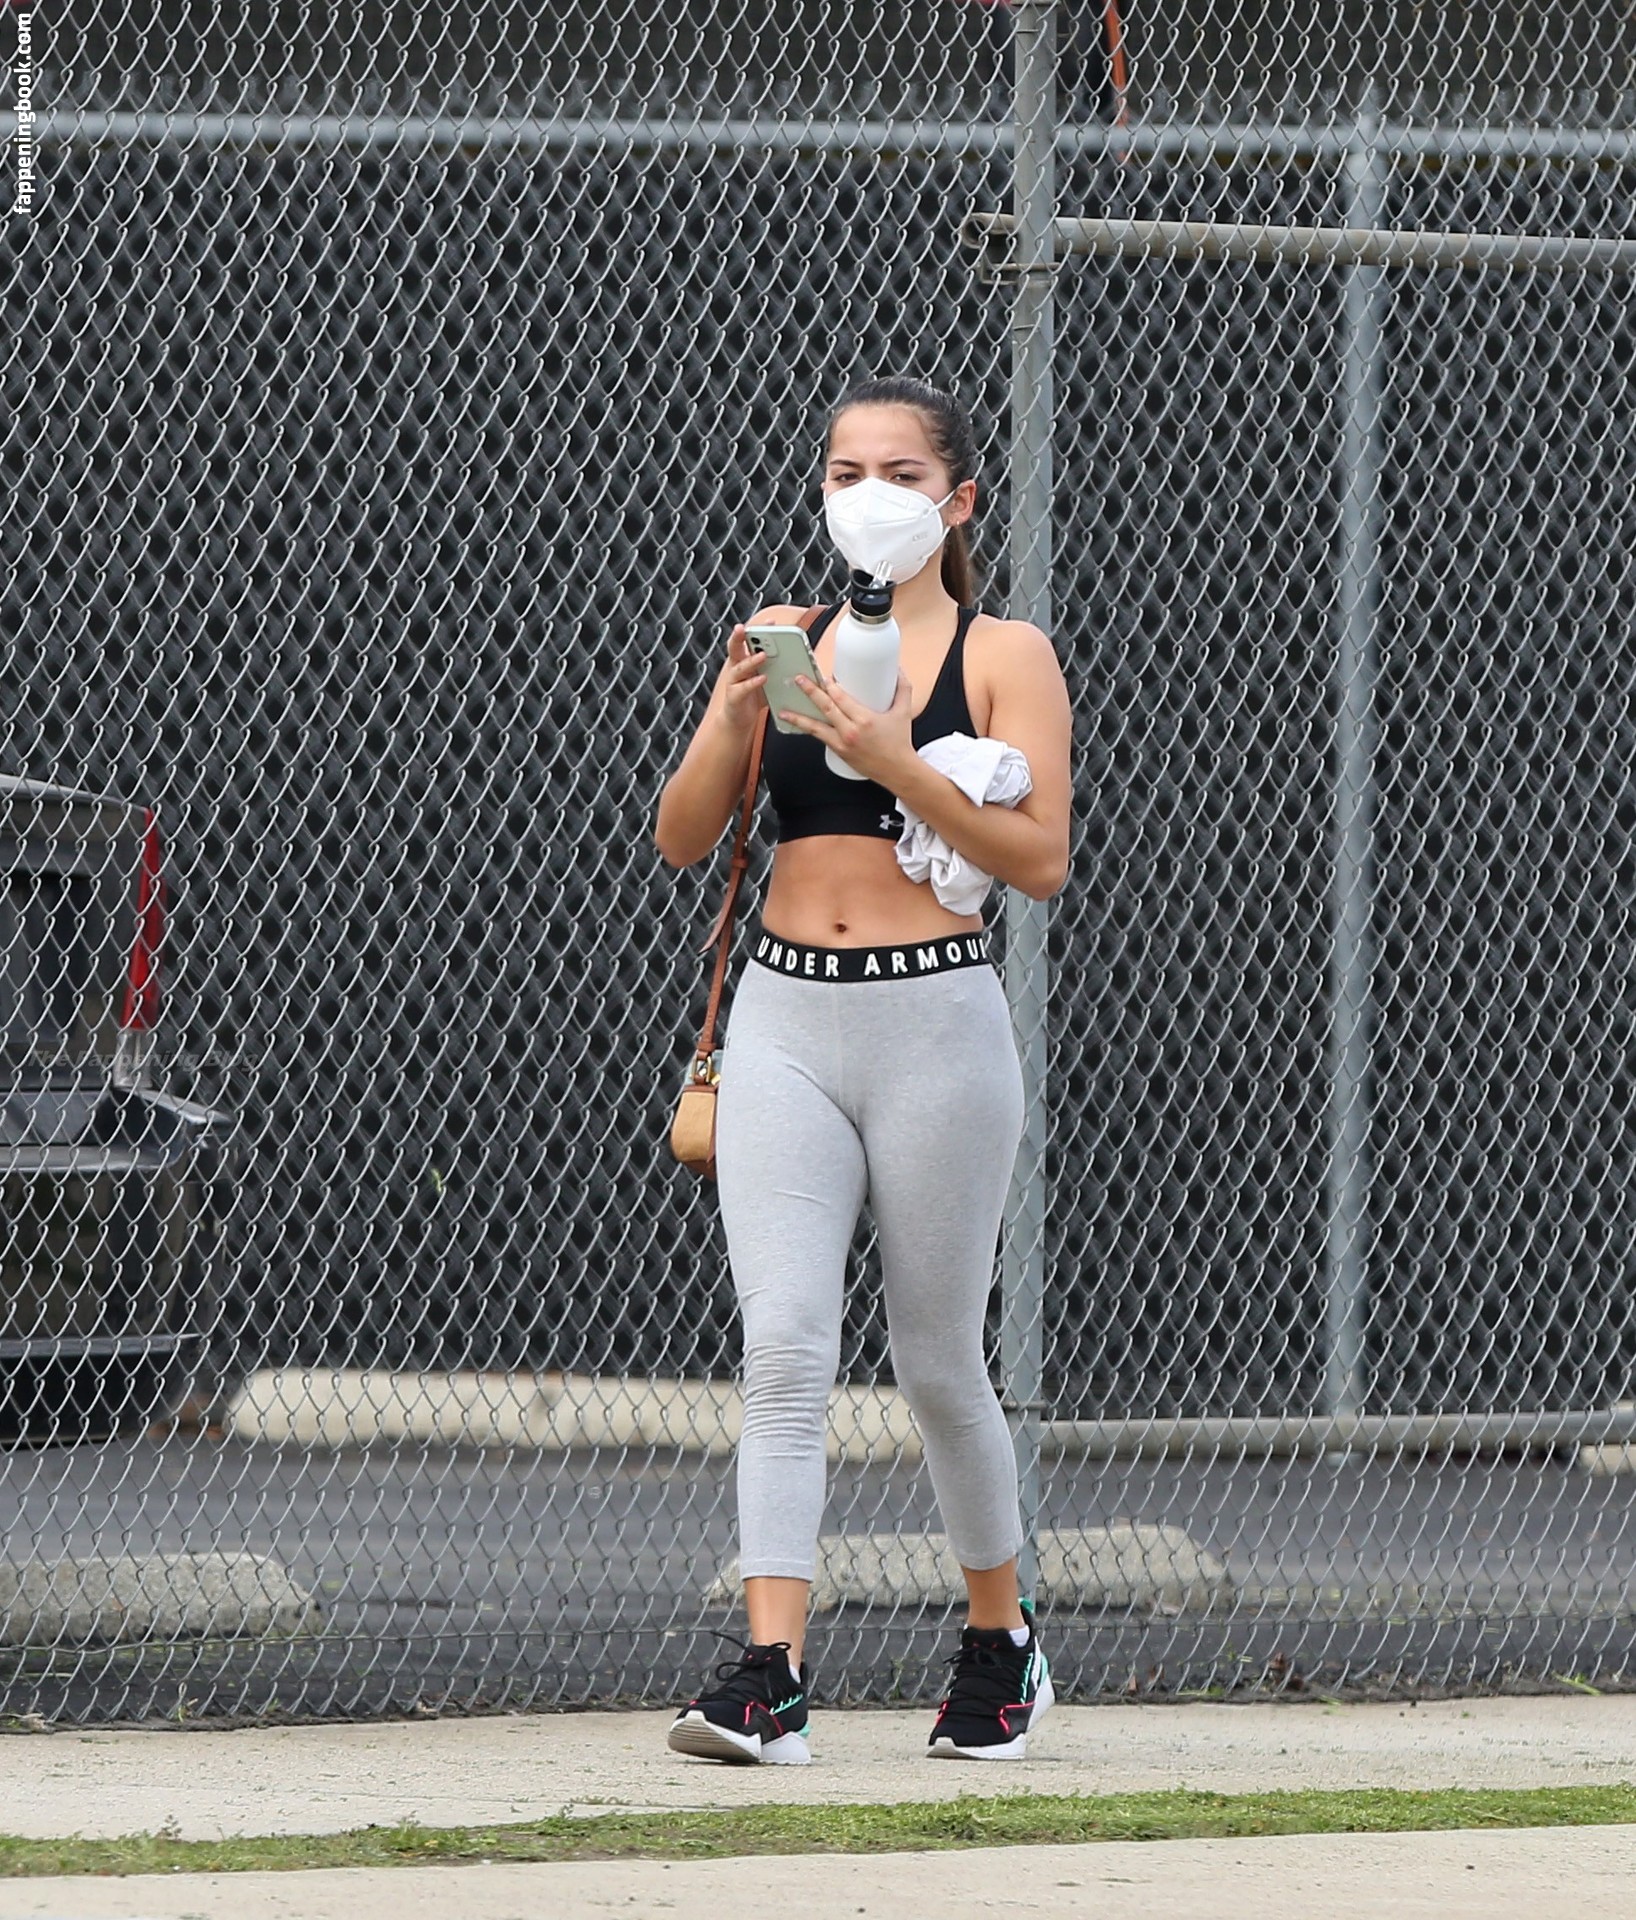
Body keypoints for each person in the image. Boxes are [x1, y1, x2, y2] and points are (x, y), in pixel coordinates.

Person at [653, 376, 1073, 1763]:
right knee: (784, 1347)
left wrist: (901, 762)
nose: (869, 495)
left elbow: (1040, 861)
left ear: (958, 501)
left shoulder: (1004, 652)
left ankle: (1000, 1640)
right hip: (785, 1017)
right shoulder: (793, 641)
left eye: (901, 473)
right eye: (845, 473)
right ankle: (769, 1674)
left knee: (940, 1359)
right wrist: (734, 712)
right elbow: (682, 838)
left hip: (935, 1020)